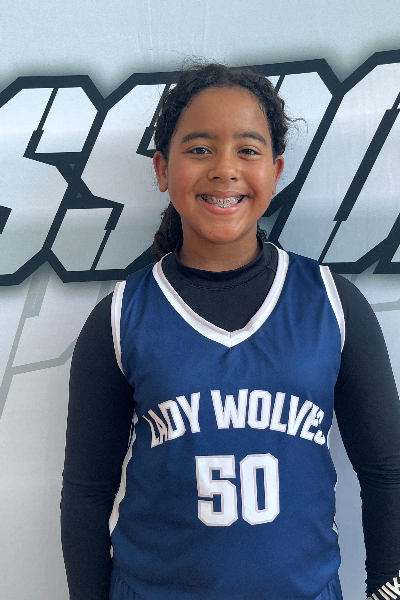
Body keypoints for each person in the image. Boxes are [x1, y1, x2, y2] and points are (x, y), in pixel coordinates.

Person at [61, 63, 400, 600]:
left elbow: (388, 475)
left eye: (248, 150)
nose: (225, 169)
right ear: (162, 168)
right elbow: (87, 493)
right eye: (199, 149)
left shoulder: (333, 304)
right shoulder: (121, 317)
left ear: (276, 170)